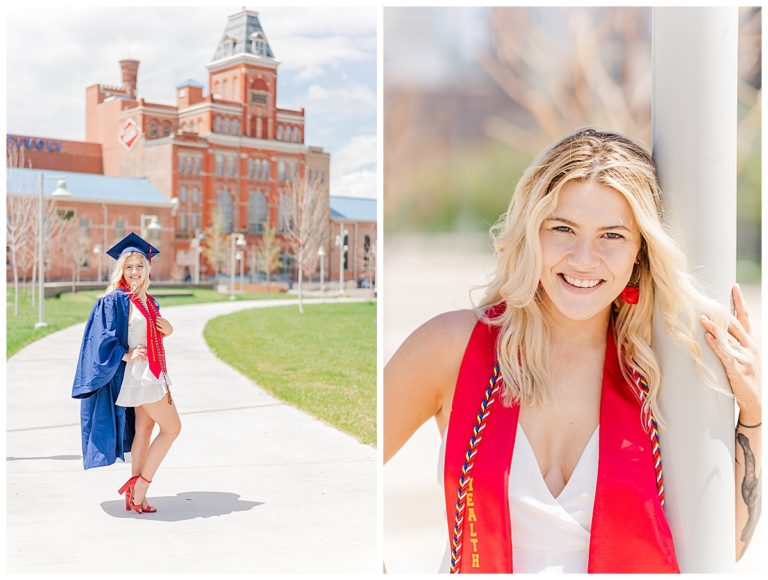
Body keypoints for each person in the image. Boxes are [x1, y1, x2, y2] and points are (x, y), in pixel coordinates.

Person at [384, 128, 761, 573]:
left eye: (612, 236)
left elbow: (726, 544)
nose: (584, 258)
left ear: (640, 250)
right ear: (531, 231)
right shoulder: (451, 348)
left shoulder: (665, 366)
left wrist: (753, 411)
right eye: (563, 228)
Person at [72, 232, 181, 514]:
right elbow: (100, 339)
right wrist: (126, 354)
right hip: (139, 377)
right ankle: (141, 485)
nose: (134, 271)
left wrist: (168, 331)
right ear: (122, 270)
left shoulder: (148, 301)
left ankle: (134, 494)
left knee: (145, 429)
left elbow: (149, 336)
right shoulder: (114, 301)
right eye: (129, 266)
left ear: (147, 269)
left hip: (153, 371)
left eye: (140, 266)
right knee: (173, 428)